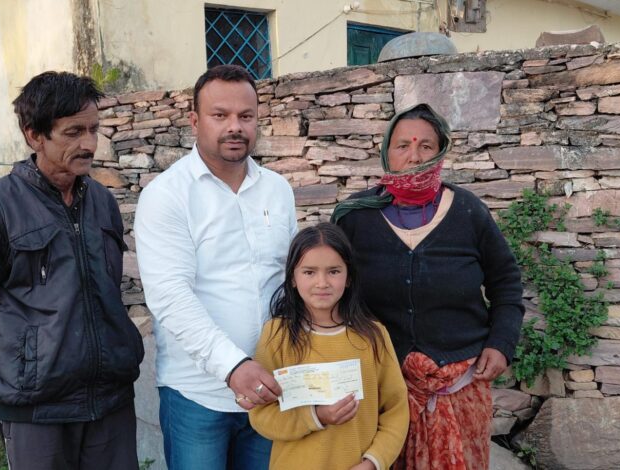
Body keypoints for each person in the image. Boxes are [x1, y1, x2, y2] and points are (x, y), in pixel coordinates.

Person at [0, 71, 144, 470]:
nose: (89, 144)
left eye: (93, 129)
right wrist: (17, 372)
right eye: (73, 132)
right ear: (34, 135)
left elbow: (108, 290)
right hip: (36, 413)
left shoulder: (102, 202)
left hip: (111, 401)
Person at [332, 103, 525, 469]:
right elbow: (331, 292)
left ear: (441, 152)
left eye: (426, 146)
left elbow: (506, 283)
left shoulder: (468, 211)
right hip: (381, 383)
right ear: (386, 152)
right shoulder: (354, 217)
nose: (414, 156)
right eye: (402, 145)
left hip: (460, 382)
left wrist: (501, 343)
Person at [134, 64, 297, 470]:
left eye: (245, 116)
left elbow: (290, 281)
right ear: (195, 121)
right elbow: (170, 297)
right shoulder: (167, 196)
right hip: (198, 396)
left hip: (270, 388)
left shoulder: (277, 190)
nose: (235, 127)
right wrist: (233, 366)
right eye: (220, 115)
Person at [249, 223, 409, 470]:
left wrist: (374, 462)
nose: (322, 282)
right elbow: (261, 415)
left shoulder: (373, 336)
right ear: (292, 278)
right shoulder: (277, 335)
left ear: (349, 277)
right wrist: (316, 416)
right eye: (309, 272)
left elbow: (396, 410)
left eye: (333, 271)